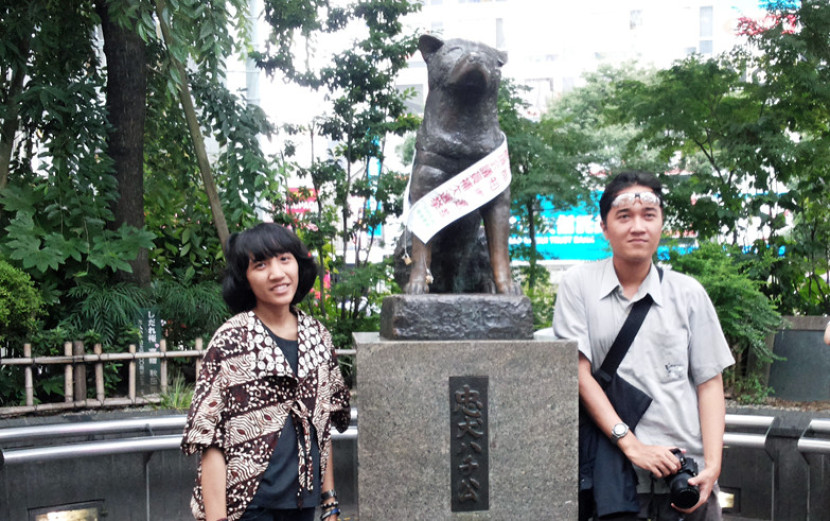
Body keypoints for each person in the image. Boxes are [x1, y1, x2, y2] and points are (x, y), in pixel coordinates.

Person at [553, 171, 735, 521]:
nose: (638, 226)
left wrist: (712, 467)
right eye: (624, 216)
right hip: (613, 477)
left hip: (684, 477)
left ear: (661, 225)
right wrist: (632, 445)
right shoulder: (579, 285)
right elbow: (578, 372)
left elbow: (709, 382)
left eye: (649, 216)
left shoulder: (688, 293)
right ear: (604, 228)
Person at [181, 223, 351, 521]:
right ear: (245, 278)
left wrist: (330, 503)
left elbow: (322, 426)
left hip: (302, 502)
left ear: (299, 264)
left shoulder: (318, 336)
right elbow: (210, 440)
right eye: (260, 264)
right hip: (246, 505)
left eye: (285, 259)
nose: (276, 273)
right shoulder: (231, 340)